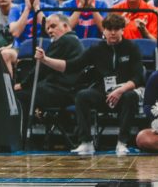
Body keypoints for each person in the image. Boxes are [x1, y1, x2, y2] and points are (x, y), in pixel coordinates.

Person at [35, 13, 143, 156]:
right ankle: (85, 142)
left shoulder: (132, 48)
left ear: (122, 30)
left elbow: (138, 78)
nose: (112, 32)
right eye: (109, 29)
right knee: (82, 96)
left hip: (124, 91)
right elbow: (71, 66)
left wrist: (120, 90)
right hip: (103, 92)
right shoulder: (96, 49)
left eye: (116, 29)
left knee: (131, 97)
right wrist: (45, 59)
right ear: (103, 30)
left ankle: (122, 142)